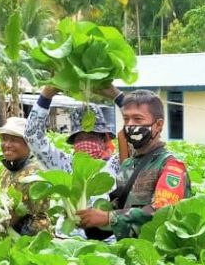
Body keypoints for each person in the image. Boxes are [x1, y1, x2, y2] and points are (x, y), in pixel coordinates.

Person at [76, 89, 192, 239]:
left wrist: (108, 217)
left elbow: (162, 212)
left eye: (138, 119)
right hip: (129, 253)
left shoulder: (171, 166)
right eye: (126, 119)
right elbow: (119, 207)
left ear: (158, 125)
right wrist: (88, 218)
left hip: (161, 256)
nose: (130, 125)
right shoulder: (127, 165)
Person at [0, 116, 47, 234]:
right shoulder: (7, 170)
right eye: (4, 139)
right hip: (6, 228)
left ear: (29, 143)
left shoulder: (36, 173)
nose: (7, 145)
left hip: (31, 238)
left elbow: (18, 212)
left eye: (13, 140)